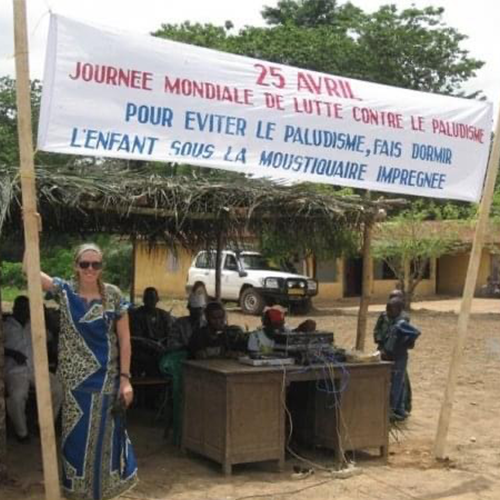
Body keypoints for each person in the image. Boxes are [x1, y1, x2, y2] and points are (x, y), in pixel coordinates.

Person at [36, 243, 138, 499]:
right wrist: (29, 228)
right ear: (76, 267)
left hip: (107, 382)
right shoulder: (65, 291)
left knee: (107, 445)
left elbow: (125, 340)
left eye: (96, 264)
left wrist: (125, 380)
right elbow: (31, 272)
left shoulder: (113, 296)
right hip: (75, 387)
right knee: (75, 444)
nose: (90, 269)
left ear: (102, 267)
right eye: (85, 264)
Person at [4, 295, 63, 443]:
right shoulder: (5, 326)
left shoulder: (35, 325)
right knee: (17, 397)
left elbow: (52, 334)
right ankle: (22, 433)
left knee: (57, 388)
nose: (24, 312)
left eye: (27, 309)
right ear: (14, 309)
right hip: (15, 371)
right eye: (21, 308)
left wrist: (44, 313)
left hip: (37, 369)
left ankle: (42, 425)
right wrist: (11, 352)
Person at [376, 297, 420, 421]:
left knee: (396, 384)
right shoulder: (391, 320)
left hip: (399, 356)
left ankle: (392, 410)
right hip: (389, 355)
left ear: (398, 310)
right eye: (387, 310)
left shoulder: (401, 323)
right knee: (394, 382)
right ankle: (397, 409)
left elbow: (416, 332)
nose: (388, 312)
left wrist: (405, 343)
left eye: (390, 310)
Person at [247, 308, 317, 354]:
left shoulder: (284, 331)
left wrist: (301, 328)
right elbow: (252, 356)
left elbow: (293, 333)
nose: (279, 328)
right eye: (275, 325)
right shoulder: (255, 337)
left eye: (281, 325)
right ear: (266, 323)